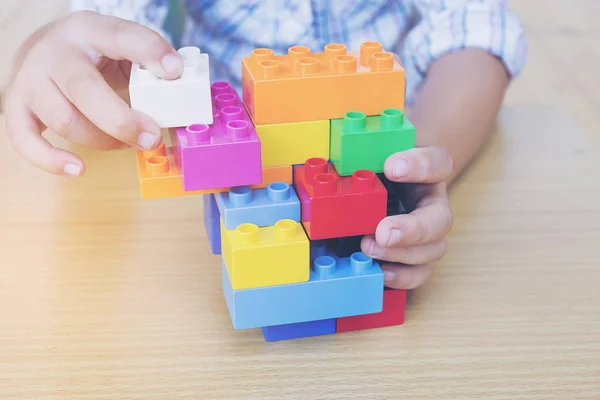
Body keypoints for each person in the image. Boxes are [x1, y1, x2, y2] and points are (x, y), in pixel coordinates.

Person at [2, 1, 528, 290]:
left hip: (385, 150)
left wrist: (419, 161)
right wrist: (46, 51)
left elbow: (472, 29)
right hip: (241, 165)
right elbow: (98, 24)